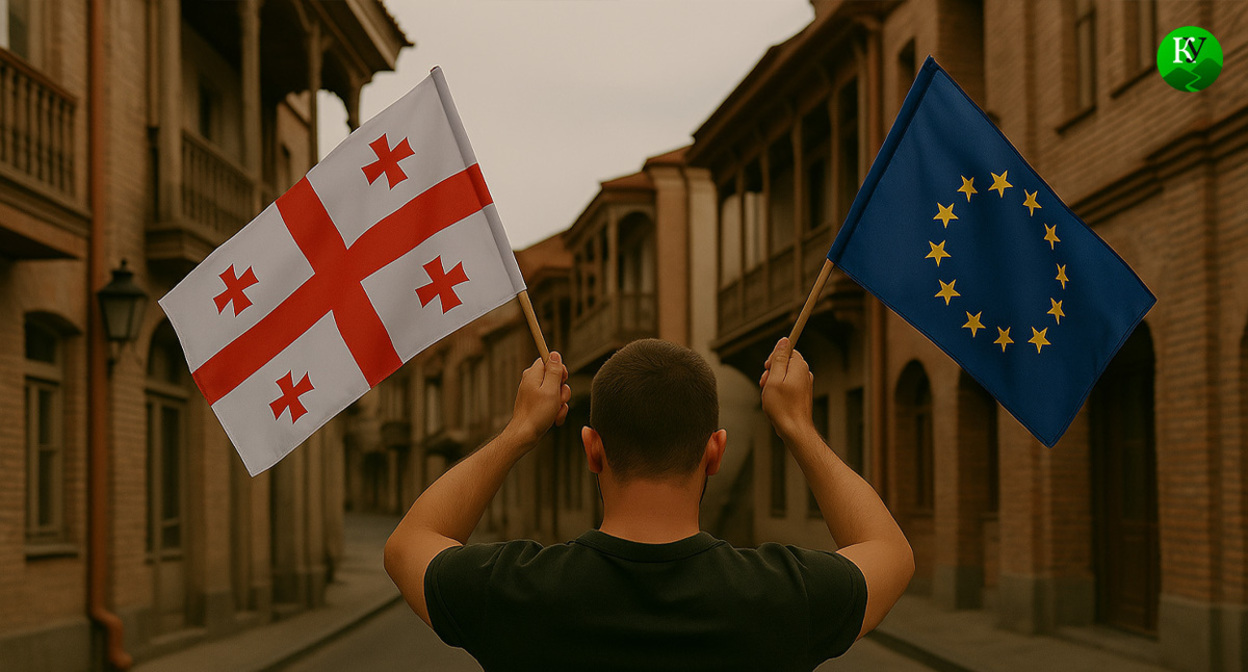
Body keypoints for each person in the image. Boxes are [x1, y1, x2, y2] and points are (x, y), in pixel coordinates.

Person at [384, 338, 913, 671]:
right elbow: (888, 550)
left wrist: (520, 430)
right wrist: (796, 425)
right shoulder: (782, 595)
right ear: (715, 452)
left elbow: (410, 542)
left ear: (594, 450)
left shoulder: (513, 590)